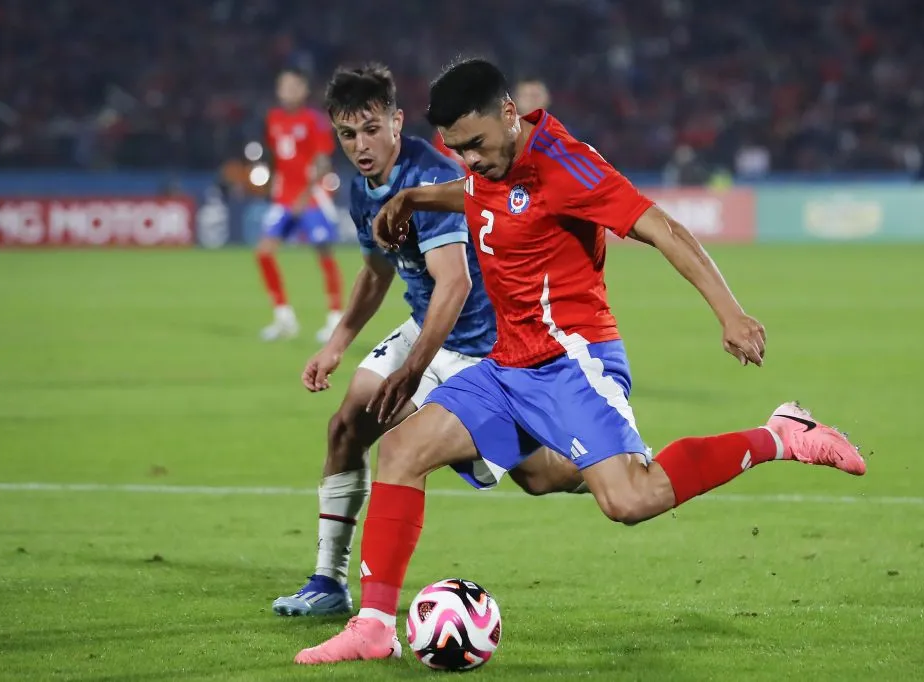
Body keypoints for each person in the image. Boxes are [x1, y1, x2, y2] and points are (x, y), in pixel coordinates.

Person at [294, 58, 866, 665]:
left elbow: (664, 228)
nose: (472, 160)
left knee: (629, 500)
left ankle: (780, 434)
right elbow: (479, 192)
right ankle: (376, 627)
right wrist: (414, 195)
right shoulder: (486, 164)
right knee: (416, 452)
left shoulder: (566, 165)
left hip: (572, 361)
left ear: (509, 114)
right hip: (506, 364)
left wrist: (731, 313)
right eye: (458, 149)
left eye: (479, 145)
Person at [273, 64, 585, 618]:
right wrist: (338, 343)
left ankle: (609, 459)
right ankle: (328, 582)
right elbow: (376, 271)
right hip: (427, 328)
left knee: (541, 476)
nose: (361, 145)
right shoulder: (362, 189)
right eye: (348, 135)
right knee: (347, 426)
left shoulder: (428, 175)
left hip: (485, 346)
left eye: (371, 129)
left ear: (397, 121)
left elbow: (457, 284)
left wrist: (412, 371)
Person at [256, 67, 345, 343]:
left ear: (304, 90)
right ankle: (284, 318)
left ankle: (335, 318)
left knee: (323, 253)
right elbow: (275, 155)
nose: (287, 91)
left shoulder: (314, 121)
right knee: (264, 253)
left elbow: (322, 162)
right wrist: (272, 186)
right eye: (283, 86)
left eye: (293, 86)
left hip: (312, 198)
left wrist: (304, 196)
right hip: (284, 198)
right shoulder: (273, 119)